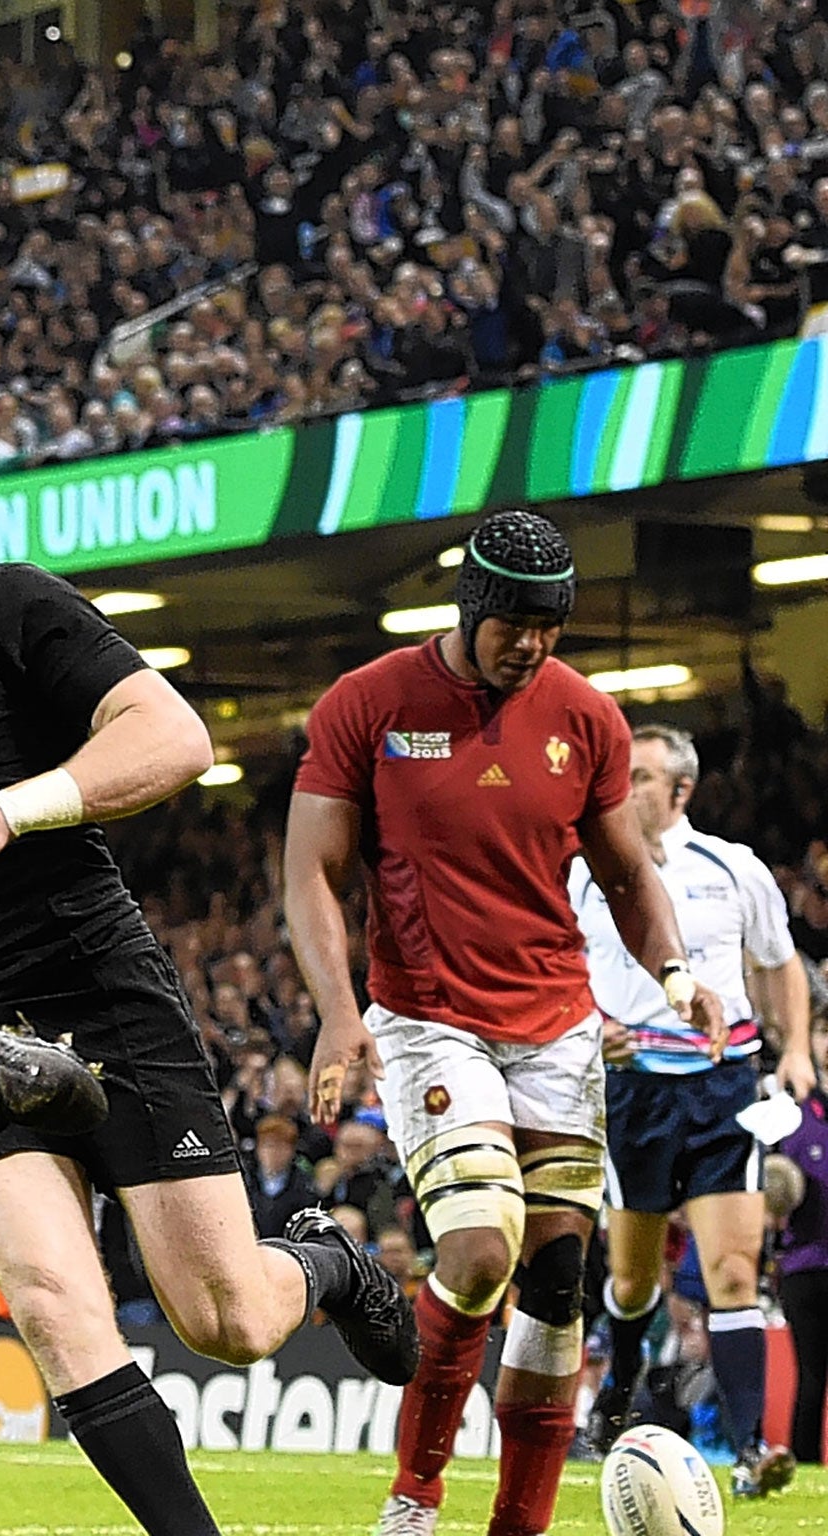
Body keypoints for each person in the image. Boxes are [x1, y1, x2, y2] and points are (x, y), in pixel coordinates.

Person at [0, 400, 415, 1536]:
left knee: (225, 1317)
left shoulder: (0, 604)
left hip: (93, 997)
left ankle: (322, 1264)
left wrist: (7, 811)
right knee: (53, 1303)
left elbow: (173, 737)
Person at [284, 509, 724, 1536]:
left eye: (548, 626)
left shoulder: (586, 718)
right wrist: (336, 1015)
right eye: (512, 623)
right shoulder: (369, 703)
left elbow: (624, 871)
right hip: (427, 1019)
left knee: (558, 1281)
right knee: (480, 1254)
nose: (529, 643)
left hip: (555, 1026)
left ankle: (515, 1527)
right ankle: (413, 1500)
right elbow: (310, 870)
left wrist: (670, 971)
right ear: (468, 606)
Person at [573, 724, 812, 1495]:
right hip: (632, 1086)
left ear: (681, 791)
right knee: (635, 1280)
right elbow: (552, 969)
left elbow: (780, 965)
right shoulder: (581, 871)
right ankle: (615, 1399)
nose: (627, 788)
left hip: (723, 1084)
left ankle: (751, 1451)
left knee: (734, 1272)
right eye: (623, 776)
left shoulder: (734, 868)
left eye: (642, 777)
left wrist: (797, 1048)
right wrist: (586, 1027)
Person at [781, 1088, 828, 1463]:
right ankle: (804, 1458)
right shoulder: (789, 1118)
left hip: (803, 1263)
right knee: (811, 1376)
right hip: (803, 1266)